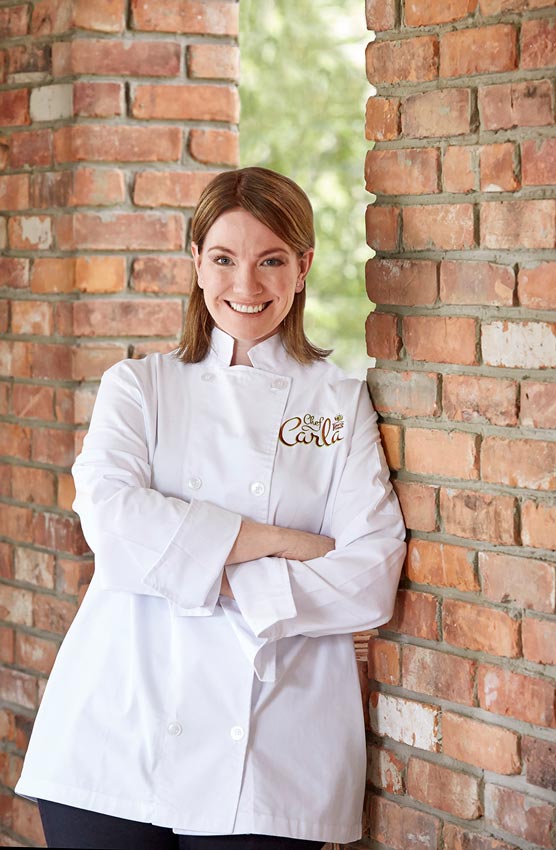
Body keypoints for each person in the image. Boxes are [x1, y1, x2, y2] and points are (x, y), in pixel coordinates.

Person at [16, 166, 406, 849]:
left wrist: (207, 570)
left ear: (304, 266)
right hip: (113, 730)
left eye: (271, 261)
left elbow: (370, 578)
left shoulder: (336, 403)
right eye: (224, 259)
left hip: (269, 754)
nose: (246, 286)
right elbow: (112, 526)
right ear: (196, 263)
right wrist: (280, 539)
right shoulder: (140, 387)